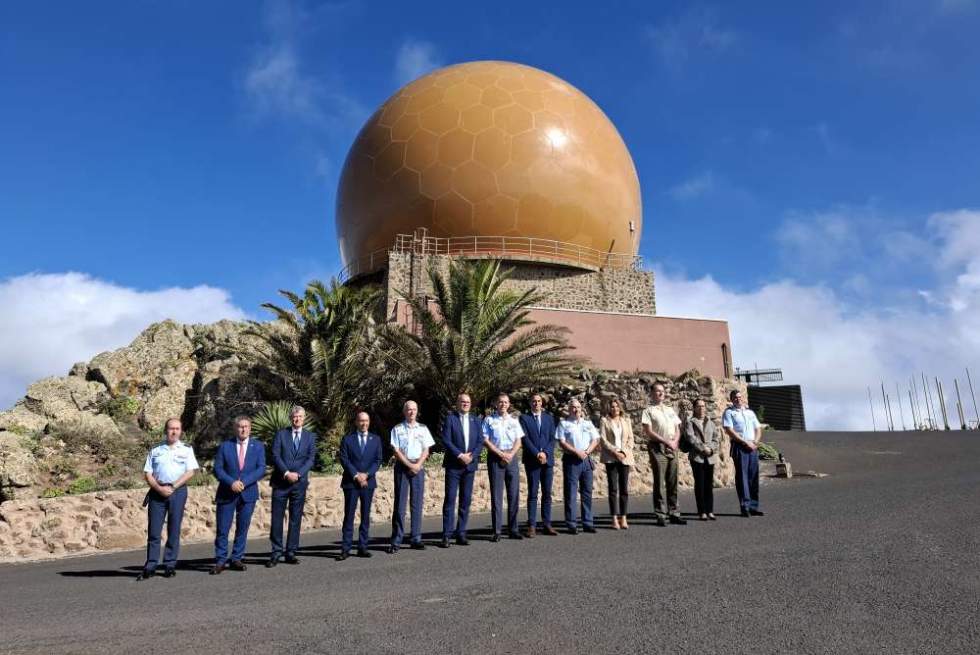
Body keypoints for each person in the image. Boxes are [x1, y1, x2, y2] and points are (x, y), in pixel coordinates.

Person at [136, 417, 199, 580]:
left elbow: (191, 471)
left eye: (177, 429)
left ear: (181, 431)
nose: (174, 432)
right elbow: (147, 473)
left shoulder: (186, 449)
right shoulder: (156, 449)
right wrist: (158, 488)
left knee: (174, 529)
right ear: (166, 430)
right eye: (171, 428)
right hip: (157, 492)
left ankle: (170, 564)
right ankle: (151, 565)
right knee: (154, 531)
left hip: (177, 492)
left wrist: (172, 487)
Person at [211, 415, 266, 574]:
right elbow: (218, 469)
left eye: (246, 426)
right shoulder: (225, 446)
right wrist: (231, 483)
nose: (243, 429)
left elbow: (261, 468)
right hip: (227, 493)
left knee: (243, 528)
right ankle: (220, 560)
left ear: (250, 428)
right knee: (223, 528)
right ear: (235, 428)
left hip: (248, 493)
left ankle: (236, 558)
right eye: (240, 426)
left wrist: (245, 482)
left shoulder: (258, 446)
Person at [266, 405, 317, 567]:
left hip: (299, 483)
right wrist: (287, 473)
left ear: (304, 418)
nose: (297, 419)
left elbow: (310, 458)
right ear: (291, 418)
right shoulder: (281, 434)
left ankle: (291, 551)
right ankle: (276, 551)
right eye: (295, 417)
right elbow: (275, 455)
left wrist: (298, 474)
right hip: (281, 482)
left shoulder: (310, 437)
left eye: (300, 417)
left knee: (295, 518)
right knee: (277, 518)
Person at [389, 400, 434, 553]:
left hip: (418, 467)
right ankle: (396, 540)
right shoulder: (397, 429)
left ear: (417, 411)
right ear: (404, 411)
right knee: (400, 506)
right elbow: (396, 451)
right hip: (403, 467)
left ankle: (416, 538)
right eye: (409, 409)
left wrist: (418, 465)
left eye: (414, 409)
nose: (412, 412)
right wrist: (410, 465)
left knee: (417, 504)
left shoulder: (423, 429)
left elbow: (426, 449)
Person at [440, 393, 484, 548]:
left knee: (465, 500)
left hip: (469, 465)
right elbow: (445, 439)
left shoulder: (476, 420)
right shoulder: (450, 419)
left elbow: (480, 440)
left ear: (471, 404)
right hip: (453, 465)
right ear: (457, 403)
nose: (465, 404)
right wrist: (459, 455)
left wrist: (472, 456)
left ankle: (461, 533)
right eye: (462, 401)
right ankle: (446, 535)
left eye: (468, 402)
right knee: (450, 500)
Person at [338, 411, 382, 559]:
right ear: (356, 422)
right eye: (361, 421)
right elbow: (344, 459)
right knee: (349, 516)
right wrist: (356, 475)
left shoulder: (375, 439)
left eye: (366, 421)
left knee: (365, 516)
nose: (364, 423)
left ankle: (363, 547)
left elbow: (377, 461)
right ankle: (345, 549)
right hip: (351, 482)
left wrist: (366, 475)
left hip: (368, 483)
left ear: (369, 422)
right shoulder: (347, 439)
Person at [641, 382, 686, 526]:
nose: (661, 393)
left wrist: (675, 441)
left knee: (673, 481)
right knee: (660, 482)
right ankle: (660, 514)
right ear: (652, 393)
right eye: (658, 391)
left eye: (663, 391)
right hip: (658, 447)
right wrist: (666, 441)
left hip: (672, 447)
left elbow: (678, 428)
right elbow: (649, 431)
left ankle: (674, 512)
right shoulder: (648, 411)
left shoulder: (670, 410)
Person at [482, 393, 525, 541]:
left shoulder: (514, 421)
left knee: (514, 495)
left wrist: (511, 454)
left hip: (511, 459)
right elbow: (485, 440)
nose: (503, 404)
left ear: (509, 404)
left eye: (505, 402)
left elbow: (519, 441)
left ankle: (513, 529)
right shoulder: (489, 420)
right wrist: (500, 453)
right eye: (500, 402)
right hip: (495, 458)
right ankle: (497, 530)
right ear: (496, 403)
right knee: (496, 496)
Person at [555, 398, 599, 534]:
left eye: (578, 407)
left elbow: (595, 439)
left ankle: (587, 522)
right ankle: (571, 523)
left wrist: (586, 452)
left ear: (581, 409)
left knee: (587, 493)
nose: (576, 410)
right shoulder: (564, 424)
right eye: (573, 407)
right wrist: (576, 452)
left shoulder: (588, 423)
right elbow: (561, 442)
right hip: (571, 460)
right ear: (569, 409)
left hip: (586, 459)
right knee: (571, 493)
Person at [519, 393, 558, 537]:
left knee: (547, 494)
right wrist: (537, 454)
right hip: (532, 460)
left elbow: (553, 438)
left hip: (547, 461)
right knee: (533, 494)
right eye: (533, 401)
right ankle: (532, 525)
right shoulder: (524, 418)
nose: (536, 403)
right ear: (530, 403)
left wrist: (545, 453)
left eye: (539, 401)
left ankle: (547, 524)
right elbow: (525, 439)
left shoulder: (549, 418)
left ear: (542, 403)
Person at [723, 390, 764, 517]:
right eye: (735, 397)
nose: (738, 399)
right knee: (742, 477)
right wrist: (745, 442)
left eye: (740, 397)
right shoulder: (729, 413)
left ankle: (753, 506)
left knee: (753, 476)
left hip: (752, 446)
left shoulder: (749, 412)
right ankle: (745, 507)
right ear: (731, 399)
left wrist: (755, 442)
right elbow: (729, 430)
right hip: (740, 446)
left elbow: (757, 428)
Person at [599, 397, 635, 530]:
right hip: (611, 458)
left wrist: (623, 452)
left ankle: (623, 517)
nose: (615, 409)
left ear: (620, 408)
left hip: (625, 458)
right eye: (612, 406)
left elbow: (631, 438)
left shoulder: (626, 420)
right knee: (613, 489)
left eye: (617, 406)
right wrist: (615, 452)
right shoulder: (604, 421)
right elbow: (603, 439)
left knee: (624, 489)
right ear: (609, 408)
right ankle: (614, 518)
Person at [684, 398, 720, 520]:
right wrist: (702, 448)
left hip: (710, 457)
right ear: (694, 408)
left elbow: (716, 438)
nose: (702, 408)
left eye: (703, 406)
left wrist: (710, 449)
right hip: (697, 457)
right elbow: (690, 437)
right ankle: (702, 511)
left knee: (709, 484)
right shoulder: (690, 422)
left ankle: (710, 510)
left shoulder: (710, 422)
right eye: (699, 406)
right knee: (700, 484)